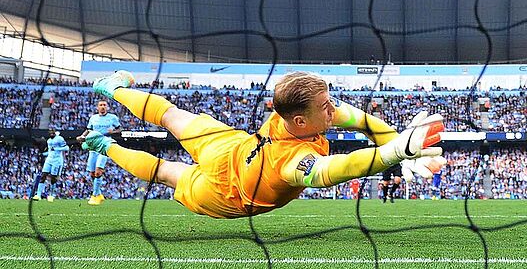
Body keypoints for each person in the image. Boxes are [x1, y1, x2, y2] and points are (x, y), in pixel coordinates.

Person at [80, 71, 445, 218]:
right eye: (325, 107)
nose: (333, 110)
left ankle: (113, 88)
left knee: (172, 115)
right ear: (300, 121)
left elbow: (365, 122)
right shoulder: (291, 163)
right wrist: (395, 152)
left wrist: (399, 146)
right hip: (225, 191)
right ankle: (103, 144)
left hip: (231, 146)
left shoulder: (296, 112)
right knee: (165, 171)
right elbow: (335, 170)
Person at [76, 99, 121, 205]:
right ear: (97, 107)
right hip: (93, 147)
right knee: (92, 173)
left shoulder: (113, 118)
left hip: (105, 145)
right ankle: (99, 193)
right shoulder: (93, 118)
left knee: (98, 172)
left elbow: (120, 130)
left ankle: (95, 196)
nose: (102, 106)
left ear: (107, 107)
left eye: (104, 105)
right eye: (100, 105)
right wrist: (82, 136)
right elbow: (88, 130)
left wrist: (113, 131)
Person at [33, 128, 69, 201]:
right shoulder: (49, 141)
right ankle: (38, 195)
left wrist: (57, 149)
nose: (51, 134)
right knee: (43, 175)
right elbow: (50, 151)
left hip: (57, 160)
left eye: (53, 133)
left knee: (53, 178)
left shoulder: (60, 139)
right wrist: (43, 154)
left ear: (55, 133)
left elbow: (66, 148)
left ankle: (51, 195)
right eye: (50, 133)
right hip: (49, 159)